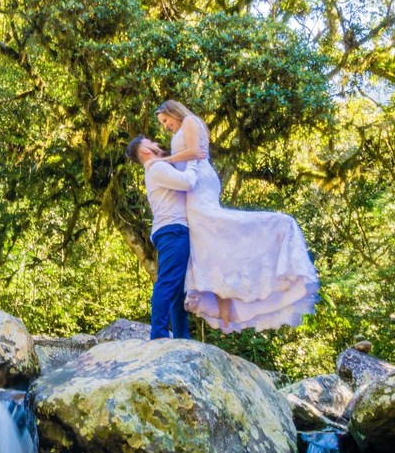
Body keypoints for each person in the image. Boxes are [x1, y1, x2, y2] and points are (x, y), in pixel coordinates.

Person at [153, 100, 319, 333]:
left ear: (173, 112)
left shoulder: (190, 121)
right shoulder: (182, 127)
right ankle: (224, 296)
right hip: (191, 187)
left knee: (216, 228)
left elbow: (194, 152)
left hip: (199, 183)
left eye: (165, 120)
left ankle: (279, 227)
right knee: (209, 243)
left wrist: (162, 161)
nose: (166, 126)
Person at [125, 135, 197, 339]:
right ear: (146, 151)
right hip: (173, 229)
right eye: (152, 144)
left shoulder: (156, 169)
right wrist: (193, 159)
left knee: (177, 289)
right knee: (168, 282)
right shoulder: (156, 168)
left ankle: (182, 335)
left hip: (170, 230)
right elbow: (188, 182)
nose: (157, 145)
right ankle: (158, 334)